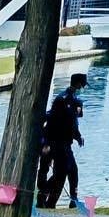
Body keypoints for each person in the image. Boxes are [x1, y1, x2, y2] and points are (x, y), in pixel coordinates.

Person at [38, 71, 87, 208]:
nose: (83, 88)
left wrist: (78, 137)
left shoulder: (75, 100)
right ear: (78, 84)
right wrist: (46, 143)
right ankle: (47, 199)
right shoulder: (62, 100)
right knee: (61, 174)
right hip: (57, 142)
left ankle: (72, 199)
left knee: (72, 171)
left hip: (66, 143)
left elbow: (73, 123)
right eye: (82, 85)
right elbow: (52, 122)